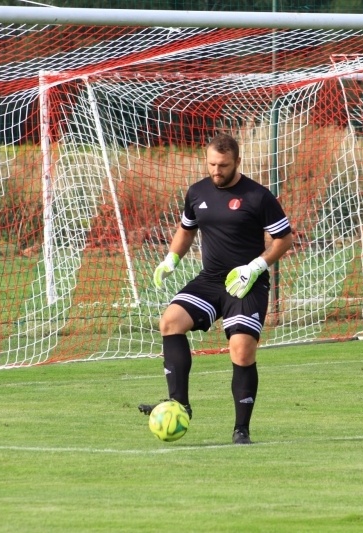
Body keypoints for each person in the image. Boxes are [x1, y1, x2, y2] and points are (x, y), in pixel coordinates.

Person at [138, 133, 293, 445]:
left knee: (241, 349)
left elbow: (283, 240)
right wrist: (171, 259)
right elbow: (187, 229)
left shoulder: (258, 196)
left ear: (237, 162)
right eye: (211, 164)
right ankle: (179, 405)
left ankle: (241, 430)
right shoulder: (197, 192)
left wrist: (256, 267)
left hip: (246, 283)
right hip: (210, 279)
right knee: (170, 321)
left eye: (223, 165)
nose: (216, 170)